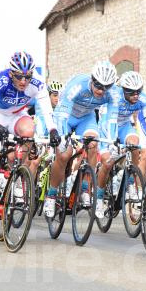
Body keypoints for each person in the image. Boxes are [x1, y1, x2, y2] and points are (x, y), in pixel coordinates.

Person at [0, 51, 59, 233]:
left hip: (17, 116)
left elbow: (46, 110)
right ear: (11, 73)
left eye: (27, 77)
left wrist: (52, 130)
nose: (23, 81)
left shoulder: (37, 83)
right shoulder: (0, 80)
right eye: (19, 76)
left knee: (29, 131)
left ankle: (18, 174)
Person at [44, 60, 119, 219]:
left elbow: (110, 121)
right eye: (98, 85)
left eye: (106, 87)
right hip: (66, 116)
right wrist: (63, 140)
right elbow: (62, 114)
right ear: (92, 79)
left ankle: (85, 188)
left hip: (87, 118)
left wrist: (110, 142)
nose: (101, 90)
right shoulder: (78, 85)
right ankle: (51, 195)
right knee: (64, 155)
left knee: (93, 144)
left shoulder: (112, 94)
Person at [95, 71, 146, 219]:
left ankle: (130, 183)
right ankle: (99, 197)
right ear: (123, 90)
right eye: (131, 92)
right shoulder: (115, 97)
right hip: (107, 125)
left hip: (125, 125)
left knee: (135, 146)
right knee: (108, 162)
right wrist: (112, 143)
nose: (136, 95)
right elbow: (111, 121)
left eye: (138, 91)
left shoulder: (143, 99)